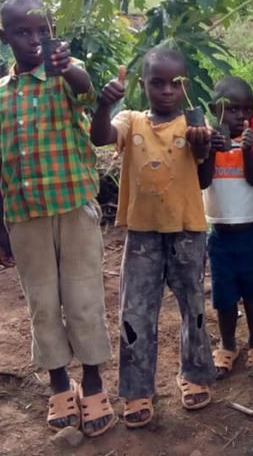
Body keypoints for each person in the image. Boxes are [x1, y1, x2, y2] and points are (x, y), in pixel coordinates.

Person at [0, 0, 115, 437]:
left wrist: (70, 68)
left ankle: (94, 381)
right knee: (42, 303)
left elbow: (88, 90)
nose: (35, 40)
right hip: (25, 216)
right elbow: (2, 164)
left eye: (43, 30)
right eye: (23, 32)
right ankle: (60, 383)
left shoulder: (64, 76)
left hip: (74, 207)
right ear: (5, 37)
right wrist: (2, 227)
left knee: (82, 299)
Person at [91, 46, 216, 428]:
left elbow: (205, 179)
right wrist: (102, 105)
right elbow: (100, 137)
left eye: (174, 84)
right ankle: (136, 390)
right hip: (143, 236)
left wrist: (205, 147)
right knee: (135, 313)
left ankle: (194, 374)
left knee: (193, 309)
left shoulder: (196, 124)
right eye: (157, 83)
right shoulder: (130, 120)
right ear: (143, 85)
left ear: (185, 86)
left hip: (187, 233)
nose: (166, 91)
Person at [200, 76, 253, 380]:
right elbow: (202, 181)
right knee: (225, 295)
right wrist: (210, 149)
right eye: (232, 110)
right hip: (220, 236)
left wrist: (246, 149)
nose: (241, 116)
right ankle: (227, 343)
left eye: (247, 109)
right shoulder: (205, 140)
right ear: (214, 109)